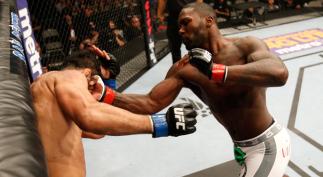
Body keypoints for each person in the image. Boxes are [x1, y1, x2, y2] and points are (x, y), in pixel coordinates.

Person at [99, 2, 291, 177]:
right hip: (241, 148)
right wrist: (105, 91)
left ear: (209, 21)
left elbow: (279, 73)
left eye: (186, 23)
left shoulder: (246, 46)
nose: (180, 30)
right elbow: (150, 103)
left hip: (267, 144)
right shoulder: (185, 68)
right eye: (178, 26)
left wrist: (217, 71)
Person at [30, 50, 197, 177]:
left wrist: (108, 85)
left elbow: (98, 132)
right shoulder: (68, 76)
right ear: (87, 73)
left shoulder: (52, 101)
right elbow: (89, 115)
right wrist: (160, 123)